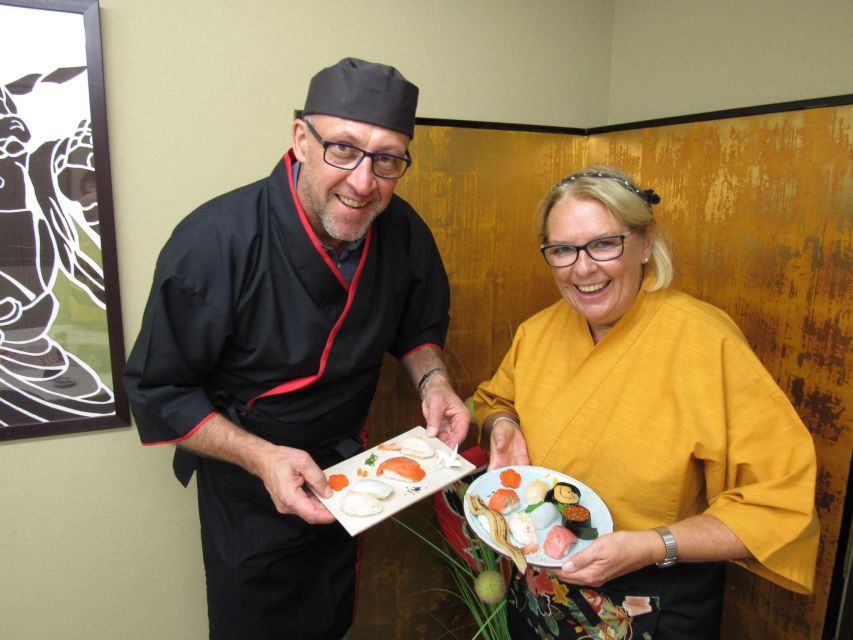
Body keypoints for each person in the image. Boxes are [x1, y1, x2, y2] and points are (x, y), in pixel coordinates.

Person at [123, 58, 470, 640]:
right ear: (300, 140)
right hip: (251, 487)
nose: (364, 182)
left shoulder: (402, 229)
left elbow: (417, 325)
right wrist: (264, 459)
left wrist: (433, 383)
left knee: (333, 616)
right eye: (343, 149)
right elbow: (160, 390)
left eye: (387, 159)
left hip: (352, 475)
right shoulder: (213, 243)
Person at [472, 166, 819, 639]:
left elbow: (779, 503)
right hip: (537, 594)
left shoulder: (705, 340)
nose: (582, 268)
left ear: (644, 241)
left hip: (654, 601)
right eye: (562, 250)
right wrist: (502, 425)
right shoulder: (538, 332)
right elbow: (494, 399)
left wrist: (655, 545)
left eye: (603, 243)